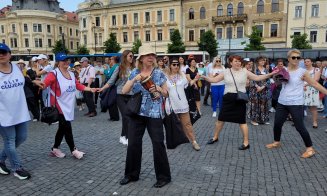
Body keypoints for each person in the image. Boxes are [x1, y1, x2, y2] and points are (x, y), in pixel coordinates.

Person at [120, 44, 171, 188]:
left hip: (154, 114)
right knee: (133, 144)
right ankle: (131, 174)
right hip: (137, 113)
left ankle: (164, 177)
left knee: (158, 144)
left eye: (153, 55)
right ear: (141, 58)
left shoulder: (159, 73)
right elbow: (124, 91)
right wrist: (134, 79)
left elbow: (167, 93)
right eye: (148, 55)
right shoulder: (134, 72)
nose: (151, 57)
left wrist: (159, 88)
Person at [202, 55, 278, 150]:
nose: (238, 63)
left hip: (240, 99)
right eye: (235, 61)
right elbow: (214, 80)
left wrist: (270, 74)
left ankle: (246, 142)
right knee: (220, 120)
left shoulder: (245, 71)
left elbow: (257, 78)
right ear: (230, 63)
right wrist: (203, 76)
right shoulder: (226, 72)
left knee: (242, 121)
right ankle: (215, 137)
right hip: (228, 98)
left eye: (239, 61)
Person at [266, 50, 327, 158]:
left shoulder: (302, 72)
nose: (296, 59)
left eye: (298, 57)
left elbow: (314, 83)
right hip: (282, 102)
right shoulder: (283, 70)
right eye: (294, 57)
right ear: (288, 58)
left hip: (296, 103)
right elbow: (277, 83)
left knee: (299, 127)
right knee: (277, 124)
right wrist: (276, 78)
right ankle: (277, 142)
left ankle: (310, 148)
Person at [0, 43, 43, 180]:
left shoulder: (16, 68)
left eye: (4, 52)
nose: (1, 55)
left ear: (9, 54)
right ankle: (17, 168)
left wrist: (34, 82)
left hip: (20, 112)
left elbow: (24, 79)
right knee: (10, 141)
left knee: (21, 137)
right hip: (4, 114)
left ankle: (0, 160)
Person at [43, 53, 96, 159]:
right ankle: (73, 150)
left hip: (68, 105)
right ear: (58, 62)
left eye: (68, 60)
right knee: (67, 127)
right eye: (64, 60)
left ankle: (55, 148)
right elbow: (44, 84)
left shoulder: (71, 74)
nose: (67, 62)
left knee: (62, 128)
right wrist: (35, 83)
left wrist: (89, 89)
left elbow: (78, 85)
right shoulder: (53, 74)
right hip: (59, 105)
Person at [98, 50, 135, 145]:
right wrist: (102, 88)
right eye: (130, 56)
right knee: (126, 116)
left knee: (129, 116)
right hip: (120, 95)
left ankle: (123, 136)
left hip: (131, 95)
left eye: (132, 56)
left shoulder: (134, 68)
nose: (132, 58)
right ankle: (127, 137)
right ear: (125, 57)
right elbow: (111, 80)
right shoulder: (120, 68)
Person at [164, 58, 200, 151]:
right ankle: (175, 140)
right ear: (170, 65)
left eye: (177, 65)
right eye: (174, 64)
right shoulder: (165, 77)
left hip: (182, 104)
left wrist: (195, 79)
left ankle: (194, 141)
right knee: (173, 124)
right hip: (171, 104)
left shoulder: (182, 75)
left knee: (187, 124)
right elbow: (163, 91)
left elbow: (188, 85)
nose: (176, 66)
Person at [249, 56, 270, 125]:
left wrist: (263, 87)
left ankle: (263, 119)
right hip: (255, 90)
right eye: (261, 61)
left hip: (264, 90)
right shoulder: (254, 69)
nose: (263, 62)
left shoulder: (266, 70)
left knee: (264, 104)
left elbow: (268, 80)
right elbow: (251, 79)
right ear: (258, 62)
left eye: (264, 60)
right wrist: (257, 86)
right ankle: (254, 120)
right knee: (255, 105)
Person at [303, 58, 320, 128]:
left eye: (308, 61)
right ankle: (298, 122)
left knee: (313, 107)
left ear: (311, 62)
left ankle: (315, 122)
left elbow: (316, 80)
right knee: (300, 106)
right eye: (305, 62)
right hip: (303, 89)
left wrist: (305, 84)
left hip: (312, 90)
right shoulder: (303, 70)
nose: (306, 63)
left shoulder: (316, 69)